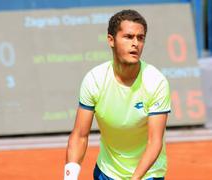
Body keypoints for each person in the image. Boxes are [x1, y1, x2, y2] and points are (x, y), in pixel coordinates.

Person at [64, 9, 171, 180]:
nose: (135, 43)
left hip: (147, 175)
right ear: (111, 40)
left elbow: (154, 141)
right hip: (107, 172)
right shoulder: (94, 80)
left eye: (140, 38)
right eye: (128, 37)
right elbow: (79, 136)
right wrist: (69, 177)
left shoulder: (156, 82)